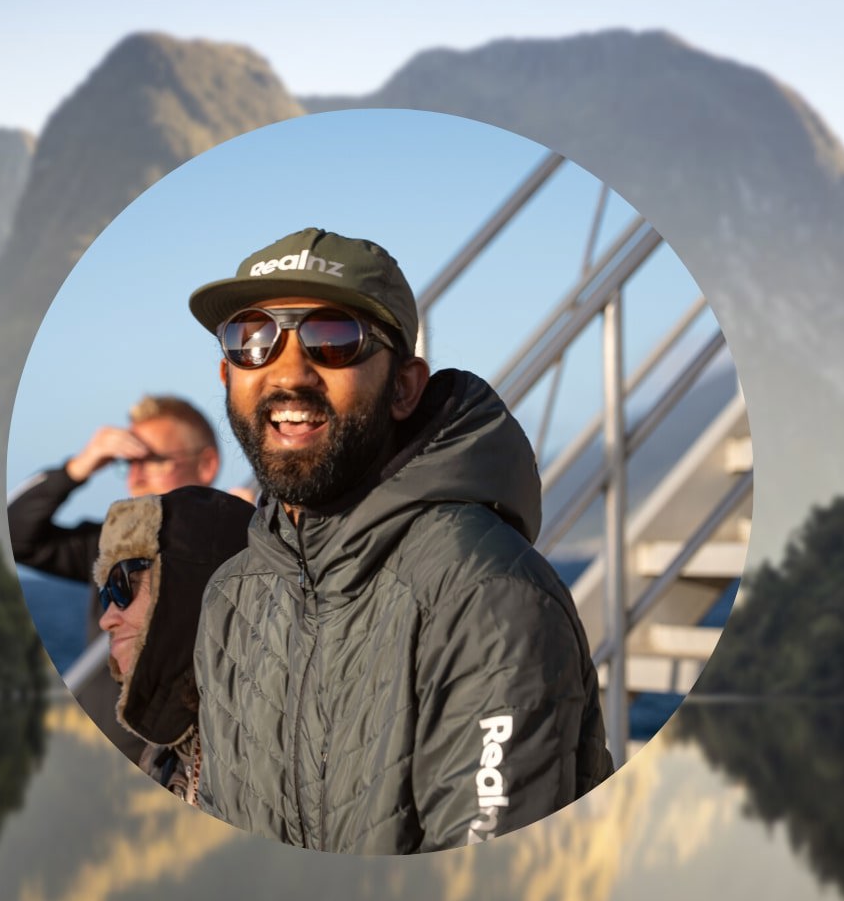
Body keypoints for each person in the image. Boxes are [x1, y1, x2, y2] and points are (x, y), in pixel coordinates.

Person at [187, 226, 613, 855]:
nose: (289, 372)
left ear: (406, 387)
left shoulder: (482, 593)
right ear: (227, 373)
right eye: (254, 338)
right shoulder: (233, 597)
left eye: (335, 338)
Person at [8, 394, 224, 761]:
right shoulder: (108, 545)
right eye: (127, 463)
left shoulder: (241, 548)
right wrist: (79, 467)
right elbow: (15, 533)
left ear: (206, 465)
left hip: (176, 764)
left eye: (152, 461)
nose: (135, 476)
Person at [92, 486, 255, 800]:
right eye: (105, 594)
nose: (106, 618)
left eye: (122, 584)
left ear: (186, 588)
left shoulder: (277, 748)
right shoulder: (161, 755)